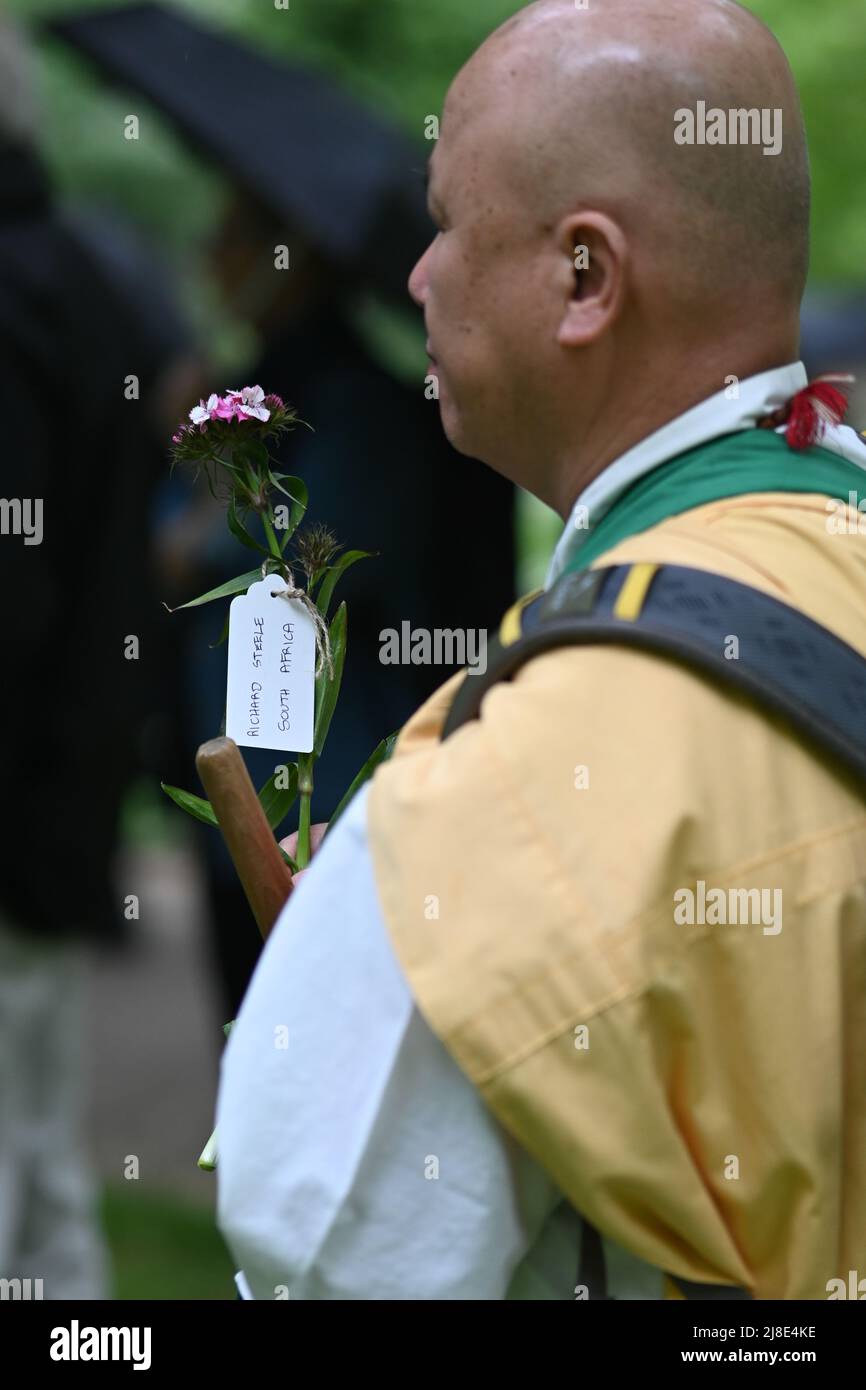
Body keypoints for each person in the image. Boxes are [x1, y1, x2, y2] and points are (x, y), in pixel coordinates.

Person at [215, 0, 866, 1299]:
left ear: (584, 276)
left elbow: (329, 1249)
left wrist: (383, 944)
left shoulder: (524, 770)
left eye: (447, 222)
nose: (416, 275)